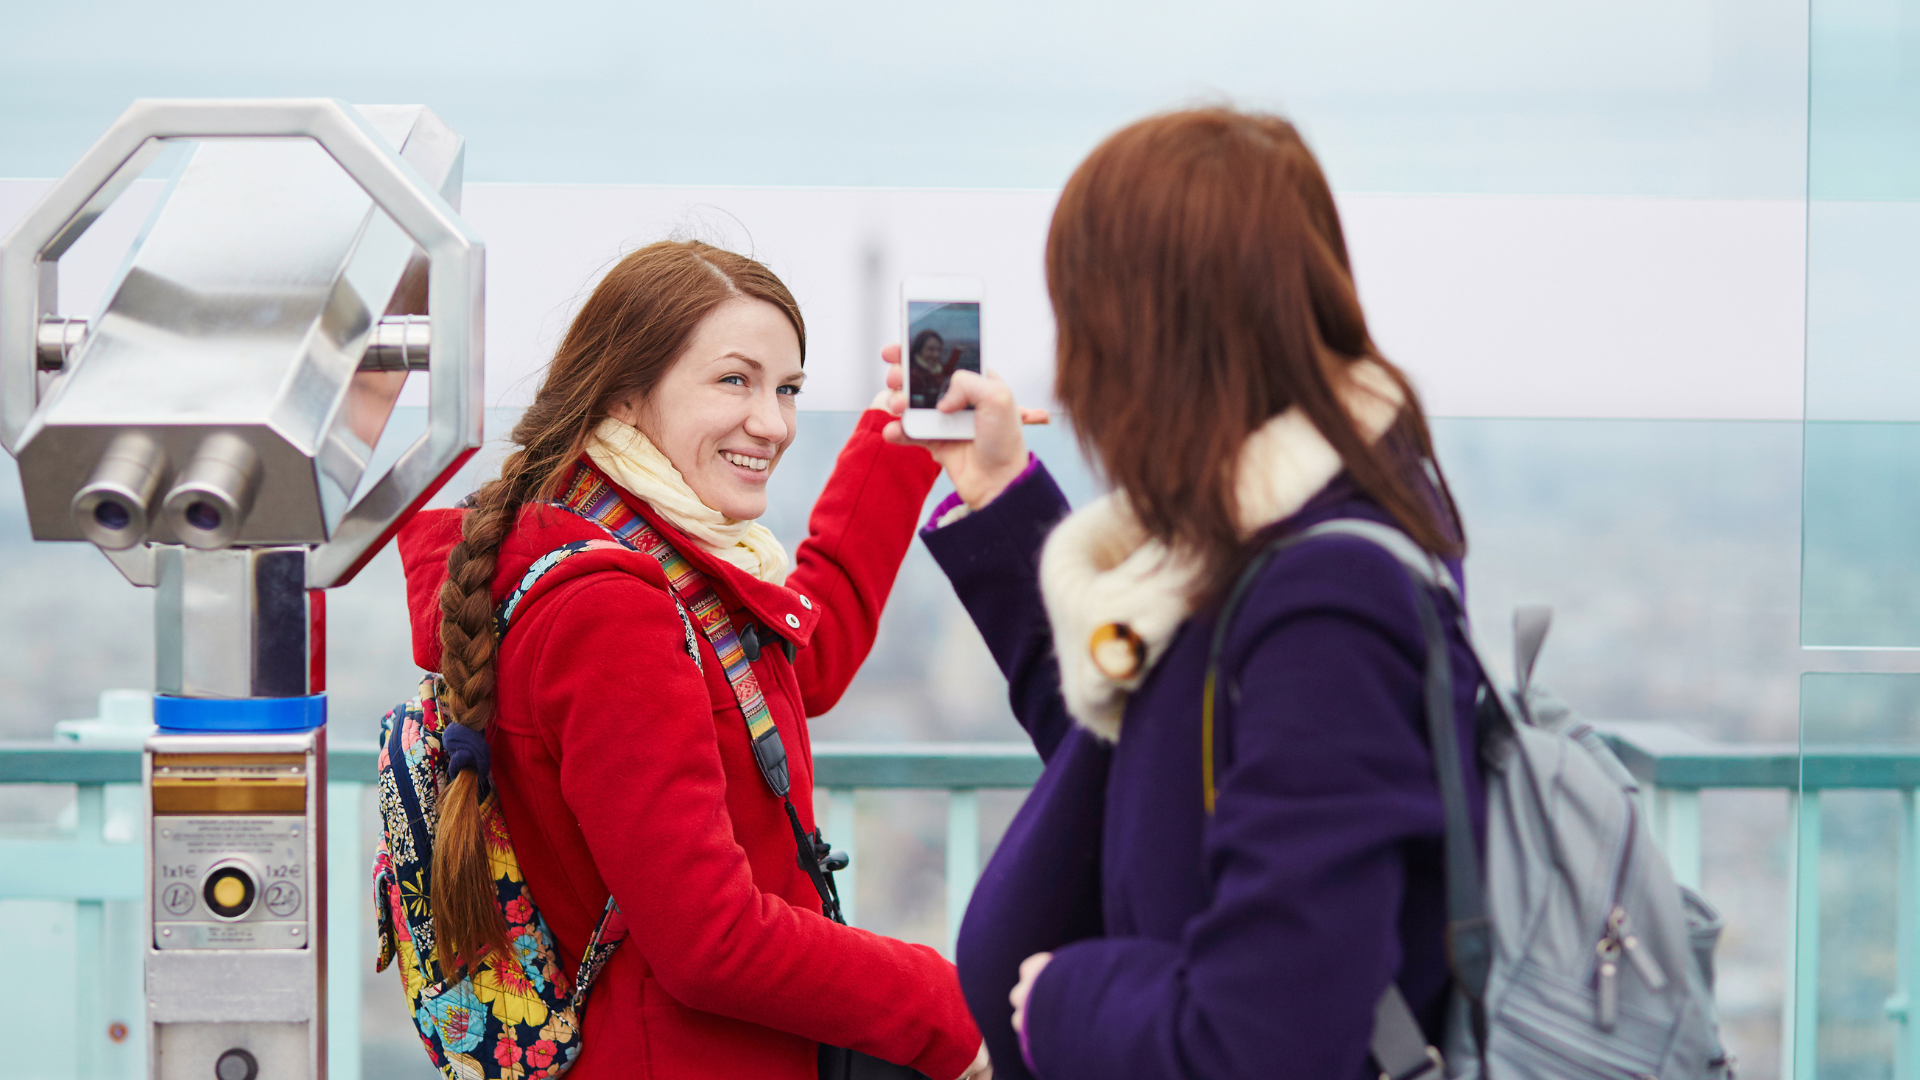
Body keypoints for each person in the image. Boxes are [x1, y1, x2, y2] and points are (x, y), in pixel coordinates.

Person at [880, 108, 1485, 1080]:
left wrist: (1064, 1001)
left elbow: (1273, 1037)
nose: (1072, 370)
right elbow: (1121, 757)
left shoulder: (1328, 604)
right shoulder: (1255, 548)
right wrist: (994, 491)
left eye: (1082, 319)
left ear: (1152, 335)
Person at [397, 240, 990, 1080]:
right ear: (627, 397)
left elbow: (794, 667)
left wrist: (898, 445)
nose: (775, 423)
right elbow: (708, 942)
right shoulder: (615, 609)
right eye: (734, 381)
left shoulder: (636, 552)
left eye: (787, 390)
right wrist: (952, 1010)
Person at [908, 328, 954, 408]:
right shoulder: (911, 377)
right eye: (931, 349)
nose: (936, 354)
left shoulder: (942, 373)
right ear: (919, 350)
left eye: (939, 350)